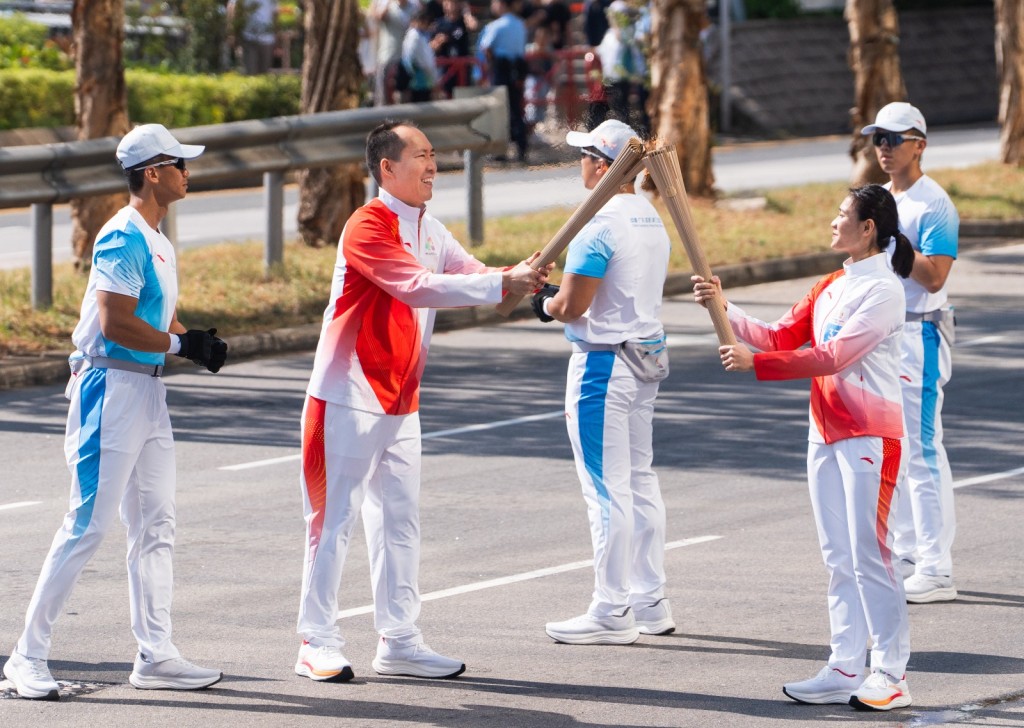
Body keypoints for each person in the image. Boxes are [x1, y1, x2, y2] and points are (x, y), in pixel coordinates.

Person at [294, 120, 551, 683]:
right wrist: (501, 282)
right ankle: (315, 641)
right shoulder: (367, 226)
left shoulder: (430, 228)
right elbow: (416, 285)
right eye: (421, 156)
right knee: (332, 521)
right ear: (388, 167)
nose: (433, 166)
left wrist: (516, 278)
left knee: (399, 522)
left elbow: (470, 273)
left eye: (434, 155)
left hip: (401, 400)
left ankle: (400, 640)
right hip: (346, 393)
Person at [2, 124, 228, 701]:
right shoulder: (122, 236)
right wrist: (181, 346)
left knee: (157, 525)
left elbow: (153, 316)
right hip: (110, 389)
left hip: (148, 393)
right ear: (152, 172)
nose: (187, 172)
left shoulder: (156, 237)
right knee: (86, 525)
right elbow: (114, 323)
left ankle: (156, 654)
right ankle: (26, 658)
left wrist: (192, 338)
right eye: (179, 164)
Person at [693, 184, 917, 712]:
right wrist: (725, 305)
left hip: (870, 436)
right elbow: (777, 336)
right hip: (825, 432)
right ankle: (845, 665)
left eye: (843, 216)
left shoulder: (883, 291)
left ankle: (892, 673)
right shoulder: (833, 284)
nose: (833, 222)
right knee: (838, 556)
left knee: (872, 556)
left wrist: (757, 366)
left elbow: (833, 356)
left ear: (868, 229)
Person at [530, 119, 675, 646]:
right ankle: (649, 599)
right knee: (638, 479)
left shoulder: (596, 223)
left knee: (604, 489)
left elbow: (572, 305)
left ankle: (612, 610)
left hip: (601, 366)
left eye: (586, 155)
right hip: (643, 360)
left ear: (602, 164)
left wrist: (543, 304)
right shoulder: (650, 213)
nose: (581, 163)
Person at [860, 102, 960, 604]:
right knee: (890, 450)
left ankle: (937, 568)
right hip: (887, 337)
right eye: (878, 138)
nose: (884, 147)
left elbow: (936, 276)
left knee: (922, 450)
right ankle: (903, 550)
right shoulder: (883, 198)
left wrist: (898, 243)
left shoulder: (933, 203)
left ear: (920, 144)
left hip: (921, 335)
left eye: (895, 139)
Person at [478, 0, 529, 163]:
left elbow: (485, 47)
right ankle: (521, 146)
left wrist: (488, 68)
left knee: (499, 109)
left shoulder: (496, 26)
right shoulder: (520, 24)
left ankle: (500, 150)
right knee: (516, 108)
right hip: (518, 68)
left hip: (501, 68)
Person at [370, 0, 421, 105]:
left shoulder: (414, 8)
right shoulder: (389, 7)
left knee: (405, 97)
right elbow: (378, 16)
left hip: (407, 59)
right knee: (383, 97)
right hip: (388, 57)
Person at [429, 0, 479, 96]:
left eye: (454, 3)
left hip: (462, 67)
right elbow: (431, 47)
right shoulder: (438, 23)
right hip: (446, 68)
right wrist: (438, 41)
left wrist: (466, 12)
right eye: (447, 3)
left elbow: (473, 26)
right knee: (446, 95)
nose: (450, 6)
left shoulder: (463, 22)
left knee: (464, 95)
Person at [228, 0, 278, 75]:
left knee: (264, 73)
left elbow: (275, 14)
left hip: (267, 38)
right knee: (250, 72)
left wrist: (276, 34)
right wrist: (232, 33)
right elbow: (233, 9)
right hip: (248, 37)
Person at [402, 9, 440, 102]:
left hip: (413, 79)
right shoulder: (416, 37)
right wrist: (435, 80)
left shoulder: (412, 35)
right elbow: (427, 62)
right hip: (420, 81)